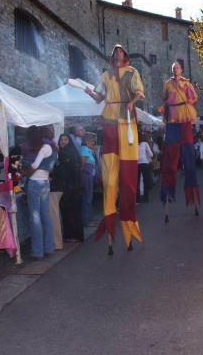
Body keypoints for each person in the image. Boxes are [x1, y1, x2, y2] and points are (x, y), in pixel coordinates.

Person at [84, 44, 144, 255]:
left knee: (127, 181)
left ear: (124, 55)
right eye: (115, 52)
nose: (118, 54)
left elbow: (139, 92)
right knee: (110, 181)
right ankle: (110, 225)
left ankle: (129, 227)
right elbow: (99, 98)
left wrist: (132, 102)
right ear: (112, 57)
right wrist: (90, 93)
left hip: (126, 122)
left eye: (121, 52)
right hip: (109, 123)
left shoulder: (131, 72)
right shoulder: (106, 75)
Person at [160, 61, 200, 219]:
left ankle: (192, 195)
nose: (175, 69)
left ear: (181, 69)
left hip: (184, 120)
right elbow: (164, 98)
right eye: (173, 67)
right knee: (170, 159)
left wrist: (189, 100)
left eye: (177, 67)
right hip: (172, 121)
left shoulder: (186, 83)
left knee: (189, 158)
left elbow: (194, 97)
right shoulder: (167, 84)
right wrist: (165, 106)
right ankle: (167, 194)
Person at [25, 126, 57, 259]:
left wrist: (25, 171)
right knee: (45, 217)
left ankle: (37, 251)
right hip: (45, 182)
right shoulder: (54, 148)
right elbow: (51, 168)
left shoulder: (44, 148)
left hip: (35, 183)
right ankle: (49, 248)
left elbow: (34, 165)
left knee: (35, 218)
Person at [53, 134, 84, 242]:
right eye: (61, 139)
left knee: (70, 212)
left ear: (69, 141)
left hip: (70, 188)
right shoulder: (69, 152)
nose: (63, 141)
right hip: (71, 187)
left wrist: (59, 151)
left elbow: (69, 167)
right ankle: (73, 235)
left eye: (65, 140)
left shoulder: (68, 152)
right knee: (71, 212)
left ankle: (72, 236)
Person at [80, 133, 97, 227]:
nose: (93, 143)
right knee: (87, 199)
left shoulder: (88, 150)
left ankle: (89, 219)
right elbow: (82, 165)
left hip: (89, 177)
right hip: (86, 178)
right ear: (86, 141)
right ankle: (86, 221)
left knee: (88, 199)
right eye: (92, 141)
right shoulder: (84, 150)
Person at [137, 132, 153, 203]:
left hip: (137, 164)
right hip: (144, 163)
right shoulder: (145, 144)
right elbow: (151, 154)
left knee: (137, 181)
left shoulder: (135, 144)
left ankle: (137, 199)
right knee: (145, 181)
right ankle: (146, 198)